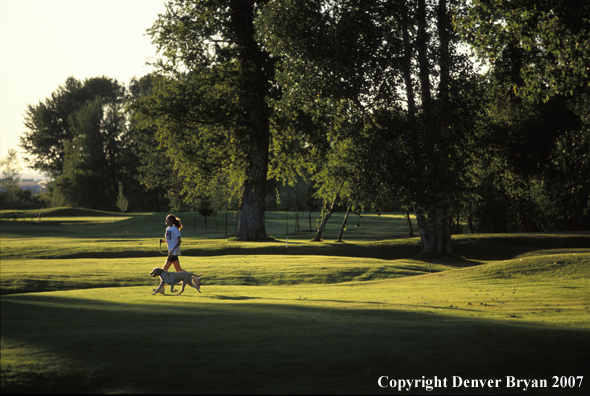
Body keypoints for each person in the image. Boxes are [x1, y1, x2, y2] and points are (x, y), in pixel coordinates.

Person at [154, 214, 184, 294]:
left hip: (173, 252)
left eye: (167, 220)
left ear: (171, 221)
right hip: (171, 252)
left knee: (163, 270)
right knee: (179, 270)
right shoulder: (168, 229)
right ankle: (195, 280)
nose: (166, 221)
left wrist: (173, 249)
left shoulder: (175, 229)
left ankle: (161, 289)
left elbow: (179, 241)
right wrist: (163, 241)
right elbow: (170, 240)